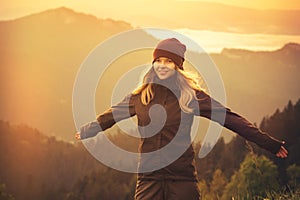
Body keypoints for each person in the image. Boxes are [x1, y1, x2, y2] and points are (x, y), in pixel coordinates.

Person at [75, 38, 288, 200]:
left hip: (182, 177)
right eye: (158, 60)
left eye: (169, 61)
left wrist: (269, 143)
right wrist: (88, 130)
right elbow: (112, 114)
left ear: (178, 65)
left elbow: (230, 119)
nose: (162, 65)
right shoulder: (141, 96)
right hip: (149, 177)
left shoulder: (191, 96)